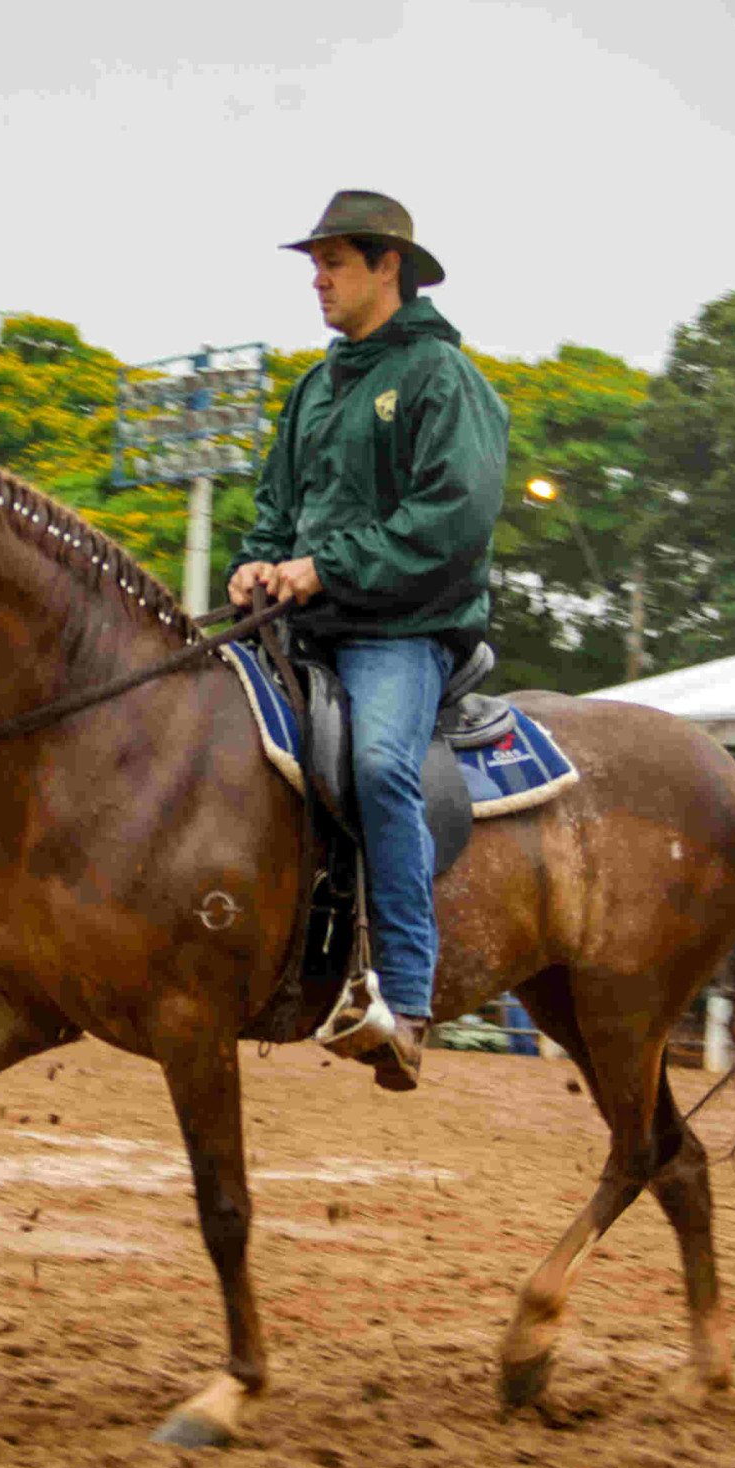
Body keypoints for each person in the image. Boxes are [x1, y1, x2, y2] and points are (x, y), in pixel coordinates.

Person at [227, 190, 509, 1092]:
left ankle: (407, 1004)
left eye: (334, 262)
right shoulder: (314, 387)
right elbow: (276, 507)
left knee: (384, 764)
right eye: (313, 263)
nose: (317, 279)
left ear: (388, 266)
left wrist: (327, 567)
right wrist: (259, 563)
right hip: (305, 622)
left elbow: (450, 519)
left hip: (404, 631)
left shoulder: (442, 378)